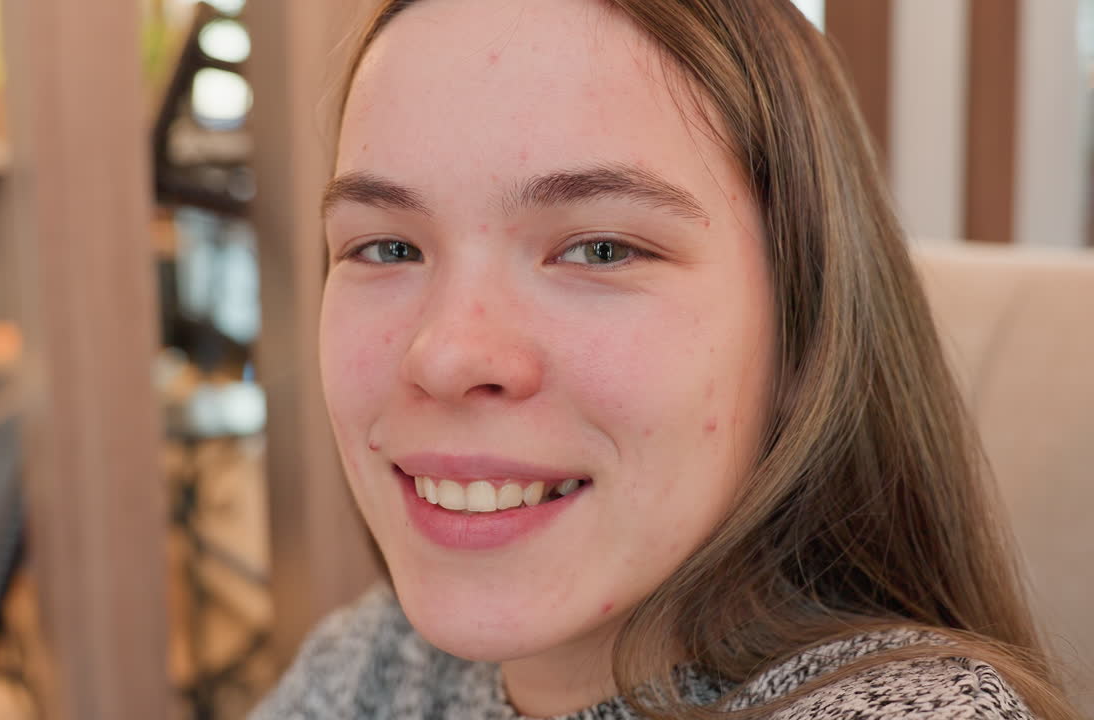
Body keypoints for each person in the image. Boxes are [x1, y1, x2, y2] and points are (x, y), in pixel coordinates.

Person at [250, 1, 1081, 718]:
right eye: (388, 246)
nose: (446, 354)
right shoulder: (374, 660)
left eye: (602, 249)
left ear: (805, 321)